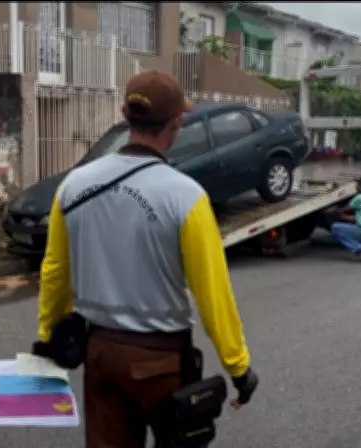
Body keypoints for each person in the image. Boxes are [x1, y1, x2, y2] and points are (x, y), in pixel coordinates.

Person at [35, 70, 258, 447]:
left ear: (125, 113)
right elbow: (212, 292)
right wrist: (237, 365)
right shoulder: (185, 196)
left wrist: (46, 336)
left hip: (101, 355)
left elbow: (55, 270)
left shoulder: (72, 186)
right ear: (178, 123)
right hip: (163, 363)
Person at [325, 176, 361, 261]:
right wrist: (342, 216)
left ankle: (359, 249)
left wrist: (331, 212)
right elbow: (356, 218)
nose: (355, 186)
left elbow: (344, 209)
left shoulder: (360, 197)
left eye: (357, 184)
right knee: (352, 227)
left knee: (335, 227)